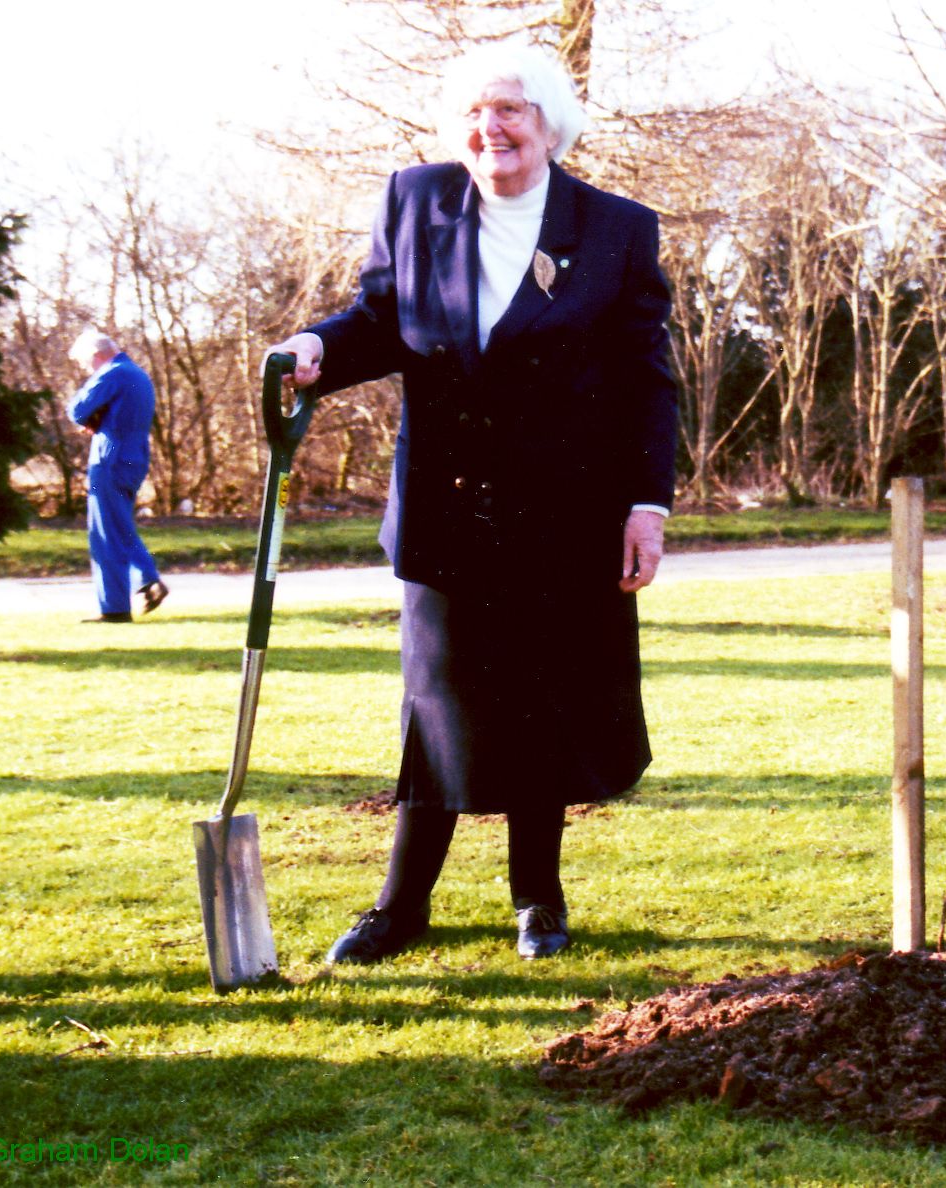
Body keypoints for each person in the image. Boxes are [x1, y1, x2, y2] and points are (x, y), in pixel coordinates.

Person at [264, 40, 678, 965]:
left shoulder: (615, 230)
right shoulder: (415, 202)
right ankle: (401, 906)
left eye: (511, 111)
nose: (492, 129)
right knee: (439, 705)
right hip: (446, 512)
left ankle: (538, 900)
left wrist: (647, 504)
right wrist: (313, 351)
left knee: (546, 701)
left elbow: (647, 380)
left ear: (547, 124)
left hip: (569, 514)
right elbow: (379, 319)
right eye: (475, 115)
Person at [68, 330, 168, 623]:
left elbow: (77, 409)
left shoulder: (113, 372)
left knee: (104, 533)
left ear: (96, 356)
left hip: (109, 458)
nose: (88, 370)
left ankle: (126, 598)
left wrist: (90, 417)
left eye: (87, 364)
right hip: (134, 456)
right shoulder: (137, 374)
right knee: (118, 526)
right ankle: (140, 584)